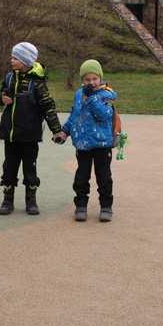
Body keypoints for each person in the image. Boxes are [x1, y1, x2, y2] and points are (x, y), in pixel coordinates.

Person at [0, 42, 64, 215]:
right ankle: (7, 200)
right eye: (12, 57)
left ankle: (31, 200)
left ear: (25, 61)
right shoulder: (10, 77)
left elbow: (48, 107)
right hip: (10, 135)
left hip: (30, 136)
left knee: (29, 168)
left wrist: (56, 130)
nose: (12, 60)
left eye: (15, 58)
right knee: (9, 168)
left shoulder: (38, 84)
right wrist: (1, 99)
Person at [58, 59, 117, 223]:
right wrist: (65, 131)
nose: (91, 83)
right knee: (81, 177)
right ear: (82, 80)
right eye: (87, 80)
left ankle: (106, 206)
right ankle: (81, 206)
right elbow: (75, 115)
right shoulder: (79, 94)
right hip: (83, 144)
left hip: (102, 144)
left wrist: (91, 98)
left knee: (103, 176)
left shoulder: (106, 95)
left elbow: (105, 115)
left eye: (94, 79)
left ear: (100, 78)